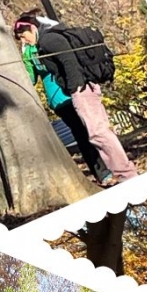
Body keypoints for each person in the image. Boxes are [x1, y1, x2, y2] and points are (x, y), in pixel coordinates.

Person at [13, 14, 139, 183]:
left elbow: (68, 61)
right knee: (94, 133)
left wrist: (76, 88)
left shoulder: (48, 40)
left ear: (33, 28)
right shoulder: (38, 45)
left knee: (98, 133)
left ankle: (126, 174)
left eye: (24, 36)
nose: (24, 41)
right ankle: (117, 172)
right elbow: (34, 75)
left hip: (78, 91)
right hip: (67, 95)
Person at [18, 30, 110, 185]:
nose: (23, 38)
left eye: (23, 34)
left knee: (87, 132)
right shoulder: (33, 50)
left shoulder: (42, 46)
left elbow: (32, 78)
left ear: (32, 30)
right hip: (62, 97)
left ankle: (104, 168)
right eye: (19, 37)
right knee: (84, 133)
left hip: (70, 92)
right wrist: (25, 59)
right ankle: (102, 171)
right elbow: (32, 78)